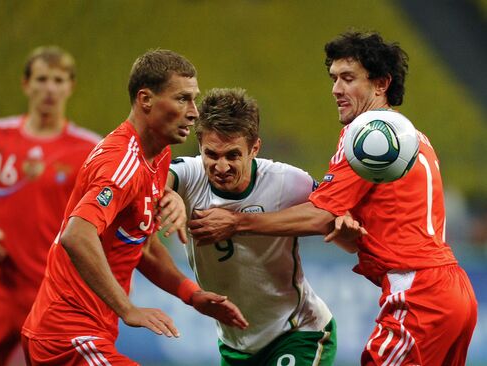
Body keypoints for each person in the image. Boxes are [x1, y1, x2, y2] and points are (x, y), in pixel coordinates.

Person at [189, 31, 478, 365]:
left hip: (419, 293)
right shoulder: (409, 135)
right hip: (452, 289)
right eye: (334, 78)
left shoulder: (370, 137)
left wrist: (237, 221)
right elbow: (354, 225)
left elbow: (320, 215)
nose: (336, 89)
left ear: (381, 83)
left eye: (348, 78)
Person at [21, 49, 248, 366]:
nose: (194, 112)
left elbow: (142, 245)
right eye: (182, 99)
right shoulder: (121, 163)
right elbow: (77, 234)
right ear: (146, 100)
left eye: (193, 99)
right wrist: (127, 308)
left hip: (87, 333)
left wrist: (190, 294)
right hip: (66, 337)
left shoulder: (158, 157)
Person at [168, 87, 351, 365]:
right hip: (235, 346)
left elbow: (329, 216)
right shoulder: (187, 175)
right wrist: (165, 196)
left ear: (254, 148)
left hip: (297, 331)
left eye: (232, 155)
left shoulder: (287, 182)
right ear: (200, 144)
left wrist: (240, 223)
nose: (221, 166)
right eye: (212, 154)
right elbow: (153, 184)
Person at [0, 46, 102, 366]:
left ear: (70, 86)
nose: (49, 88)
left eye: (58, 80)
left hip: (55, 292)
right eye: (42, 79)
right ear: (25, 84)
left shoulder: (90, 149)